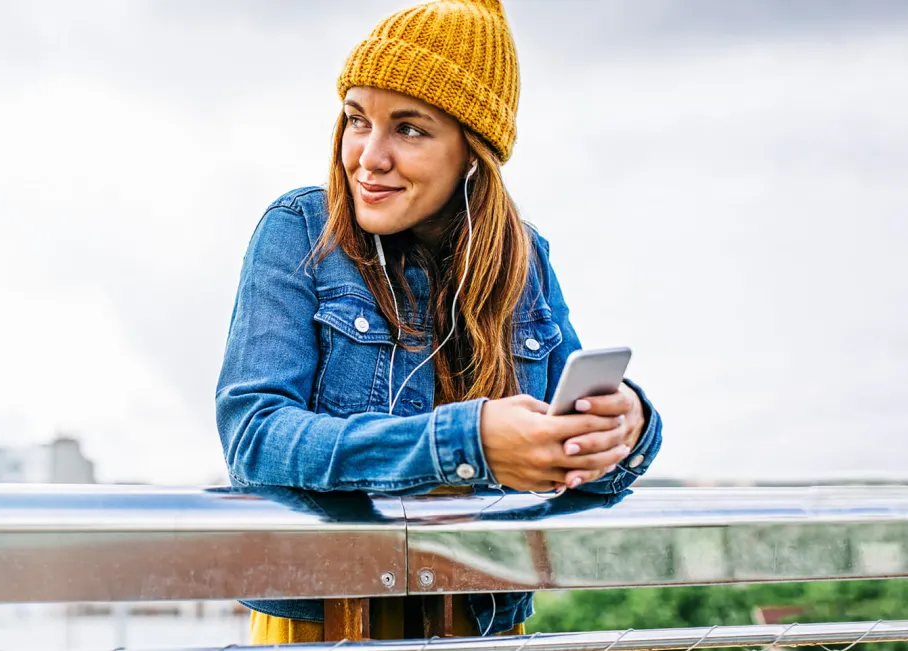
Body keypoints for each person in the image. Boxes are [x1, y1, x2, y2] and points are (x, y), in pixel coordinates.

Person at [214, 0, 663, 643]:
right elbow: (255, 442)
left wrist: (624, 428)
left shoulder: (524, 257)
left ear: (473, 153)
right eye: (356, 120)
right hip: (327, 631)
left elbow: (578, 446)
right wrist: (466, 442)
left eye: (410, 129)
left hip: (484, 629)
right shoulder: (300, 231)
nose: (369, 157)